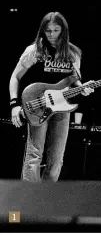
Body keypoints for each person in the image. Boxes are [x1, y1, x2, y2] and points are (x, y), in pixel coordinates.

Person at [9, 12, 93, 182]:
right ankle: (29, 200)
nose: (52, 35)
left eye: (56, 30)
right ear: (42, 31)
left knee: (56, 160)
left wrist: (82, 88)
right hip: (37, 105)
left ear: (64, 31)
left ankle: (46, 201)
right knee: (34, 155)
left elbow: (74, 80)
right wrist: (14, 104)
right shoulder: (34, 51)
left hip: (62, 107)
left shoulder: (72, 53)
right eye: (48, 31)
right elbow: (15, 77)